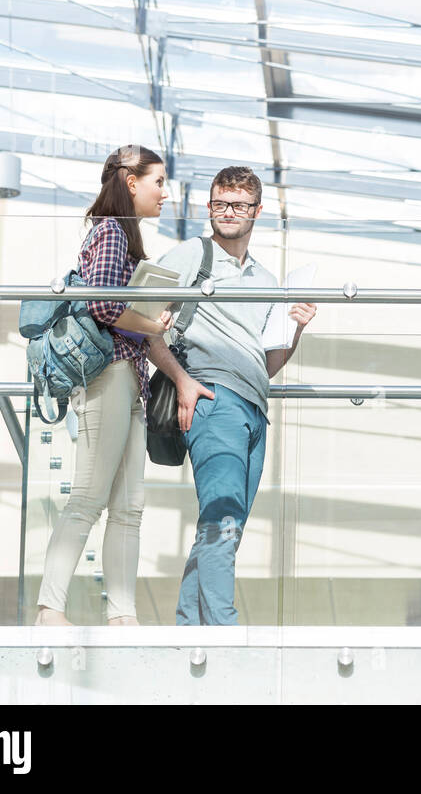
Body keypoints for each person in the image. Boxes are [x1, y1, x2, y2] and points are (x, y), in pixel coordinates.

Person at [147, 165, 315, 625]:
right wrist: (182, 379)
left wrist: (295, 329)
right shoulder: (189, 255)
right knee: (222, 517)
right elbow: (137, 318)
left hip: (255, 409)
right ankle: (223, 629)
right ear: (209, 207)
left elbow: (269, 362)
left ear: (257, 211)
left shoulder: (265, 279)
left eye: (239, 205)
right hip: (212, 398)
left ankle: (189, 626)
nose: (228, 212)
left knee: (226, 528)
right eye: (220, 204)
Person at [35, 145, 174, 626]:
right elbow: (103, 306)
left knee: (129, 506)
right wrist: (157, 325)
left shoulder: (119, 234)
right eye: (158, 181)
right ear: (131, 182)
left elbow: (112, 305)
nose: (165, 193)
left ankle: (122, 615)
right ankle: (50, 609)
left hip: (129, 378)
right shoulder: (112, 230)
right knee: (91, 498)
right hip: (110, 375)